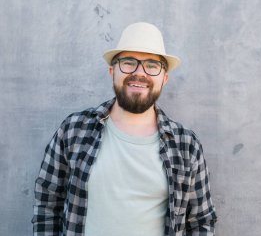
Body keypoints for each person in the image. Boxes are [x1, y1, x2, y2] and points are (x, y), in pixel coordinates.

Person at [32, 22, 217, 236]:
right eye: (128, 63)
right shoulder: (73, 131)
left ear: (164, 78)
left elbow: (201, 221)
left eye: (152, 65)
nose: (139, 73)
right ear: (112, 71)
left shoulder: (186, 145)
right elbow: (47, 205)